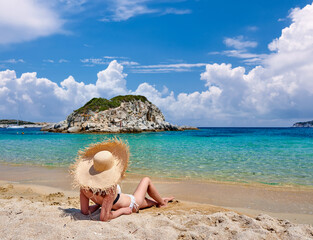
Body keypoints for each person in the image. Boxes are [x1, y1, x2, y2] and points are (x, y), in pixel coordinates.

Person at [71, 138, 174, 222]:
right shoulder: (109, 188)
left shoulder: (84, 188)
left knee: (150, 201)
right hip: (132, 204)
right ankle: (162, 203)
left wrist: (99, 204)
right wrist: (122, 211)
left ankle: (161, 200)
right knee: (146, 180)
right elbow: (104, 218)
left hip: (125, 200)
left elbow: (84, 211)